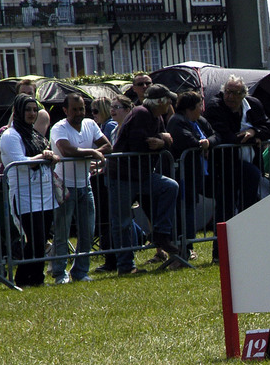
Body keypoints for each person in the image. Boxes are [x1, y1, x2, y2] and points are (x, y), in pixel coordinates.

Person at [108, 84, 181, 276]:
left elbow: (165, 142)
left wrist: (162, 140)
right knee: (122, 222)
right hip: (123, 176)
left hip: (141, 174)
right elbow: (139, 144)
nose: (170, 104)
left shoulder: (156, 117)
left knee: (169, 187)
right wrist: (161, 139)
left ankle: (160, 234)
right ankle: (125, 266)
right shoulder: (141, 113)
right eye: (168, 101)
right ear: (160, 102)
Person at [203, 75, 270, 260]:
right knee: (225, 209)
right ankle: (219, 254)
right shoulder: (215, 106)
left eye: (236, 93)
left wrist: (254, 131)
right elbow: (226, 136)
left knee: (248, 208)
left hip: (249, 161)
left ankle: (245, 248)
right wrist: (255, 137)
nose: (230, 97)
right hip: (223, 165)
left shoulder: (253, 104)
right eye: (228, 92)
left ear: (244, 94)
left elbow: (269, 127)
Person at [49, 93, 110, 284]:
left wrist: (94, 153)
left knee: (87, 231)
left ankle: (80, 271)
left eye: (82, 108)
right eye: (74, 109)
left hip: (85, 184)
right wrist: (92, 153)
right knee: (62, 232)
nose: (79, 112)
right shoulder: (59, 128)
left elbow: (107, 145)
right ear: (66, 110)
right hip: (65, 186)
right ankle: (60, 273)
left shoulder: (90, 125)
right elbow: (66, 149)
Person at [0, 93, 58, 287]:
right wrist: (43, 156)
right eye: (27, 110)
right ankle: (27, 278)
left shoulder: (35, 134)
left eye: (34, 109)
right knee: (35, 238)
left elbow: (45, 158)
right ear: (18, 111)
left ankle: (33, 278)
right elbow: (20, 163)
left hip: (45, 193)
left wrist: (49, 158)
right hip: (24, 194)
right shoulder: (10, 135)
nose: (32, 113)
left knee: (41, 240)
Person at [167, 90, 216, 260]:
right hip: (182, 175)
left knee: (190, 208)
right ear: (189, 108)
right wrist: (201, 144)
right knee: (183, 210)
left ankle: (188, 247)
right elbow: (187, 141)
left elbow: (214, 135)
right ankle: (183, 248)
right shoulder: (177, 122)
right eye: (199, 106)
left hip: (198, 173)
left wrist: (208, 142)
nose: (202, 109)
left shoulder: (199, 121)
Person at [93, 95, 133, 273]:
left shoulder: (109, 126)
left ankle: (117, 259)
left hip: (119, 178)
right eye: (112, 107)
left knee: (117, 220)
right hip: (112, 177)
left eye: (116, 107)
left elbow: (112, 152)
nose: (113, 110)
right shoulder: (113, 127)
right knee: (117, 220)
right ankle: (118, 259)